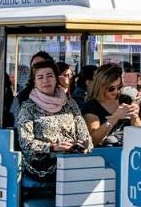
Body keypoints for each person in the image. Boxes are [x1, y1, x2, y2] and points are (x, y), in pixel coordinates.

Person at [15, 59, 90, 188]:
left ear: (56, 79)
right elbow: (25, 142)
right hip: (42, 164)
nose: (46, 80)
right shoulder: (28, 107)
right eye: (40, 77)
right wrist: (53, 147)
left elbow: (83, 132)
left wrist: (82, 144)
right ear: (34, 82)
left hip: (72, 159)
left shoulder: (70, 104)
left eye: (50, 76)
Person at [80, 63, 141, 147]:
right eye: (111, 89)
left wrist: (135, 116)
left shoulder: (126, 99)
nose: (116, 91)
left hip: (128, 150)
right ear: (101, 87)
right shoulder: (91, 106)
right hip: (105, 152)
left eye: (119, 87)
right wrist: (114, 117)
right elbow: (93, 141)